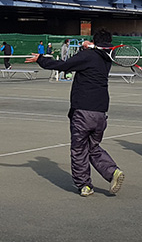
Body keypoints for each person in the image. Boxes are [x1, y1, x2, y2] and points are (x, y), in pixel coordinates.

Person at [27, 30, 125, 197]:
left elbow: (64, 65)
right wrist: (87, 48)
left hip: (83, 110)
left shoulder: (89, 56)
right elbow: (98, 54)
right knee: (93, 147)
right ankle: (113, 172)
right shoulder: (107, 59)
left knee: (79, 149)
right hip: (101, 112)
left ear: (95, 42)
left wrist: (41, 59)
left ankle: (84, 185)